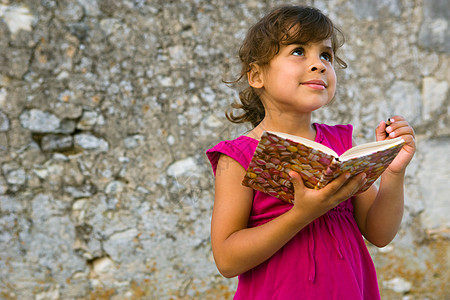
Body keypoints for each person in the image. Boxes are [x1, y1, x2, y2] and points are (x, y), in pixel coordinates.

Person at [206, 5, 416, 299]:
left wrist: (393, 172)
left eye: (326, 55)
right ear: (256, 75)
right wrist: (302, 214)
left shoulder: (340, 147)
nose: (318, 64)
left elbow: (379, 233)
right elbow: (227, 261)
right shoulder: (240, 156)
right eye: (297, 51)